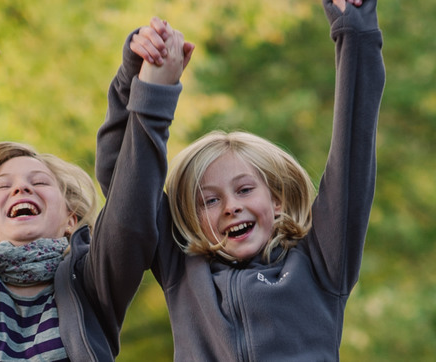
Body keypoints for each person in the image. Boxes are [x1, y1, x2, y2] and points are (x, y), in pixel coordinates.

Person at [96, 0, 385, 360]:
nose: (232, 206)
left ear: (276, 201)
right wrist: (137, 83)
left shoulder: (321, 263)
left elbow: (353, 151)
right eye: (210, 200)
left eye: (245, 189)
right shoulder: (182, 270)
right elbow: (125, 185)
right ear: (192, 220)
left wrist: (354, 31)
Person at [0, 19, 192, 361]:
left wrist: (142, 84)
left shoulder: (91, 281)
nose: (21, 187)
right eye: (2, 186)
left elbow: (132, 208)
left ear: (71, 218)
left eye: (38, 182)